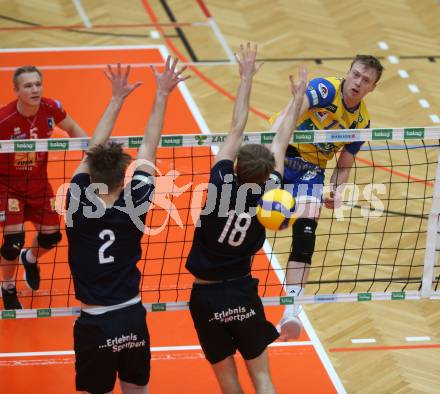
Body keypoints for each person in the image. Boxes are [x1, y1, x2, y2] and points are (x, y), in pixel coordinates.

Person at [186, 43, 307, 394]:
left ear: (237, 167)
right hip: (242, 290)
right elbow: (282, 142)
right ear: (266, 173)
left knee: (229, 383)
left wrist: (245, 78)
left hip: (206, 296)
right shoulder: (271, 194)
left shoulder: (222, 181)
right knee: (263, 378)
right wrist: (297, 98)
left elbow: (236, 126)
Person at [66, 59, 188, 394]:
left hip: (95, 323)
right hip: (131, 316)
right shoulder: (136, 200)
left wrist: (116, 99)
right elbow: (150, 145)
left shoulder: (76, 202)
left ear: (92, 176)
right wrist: (162, 93)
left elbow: (91, 151)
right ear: (124, 177)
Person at [270, 55, 384, 340]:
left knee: (307, 228)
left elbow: (344, 165)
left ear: (372, 88)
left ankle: (291, 308)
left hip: (311, 170)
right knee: (248, 218)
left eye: (366, 80)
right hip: (280, 150)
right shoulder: (325, 89)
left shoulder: (362, 121)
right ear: (348, 72)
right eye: (356, 74)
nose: (358, 82)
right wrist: (269, 158)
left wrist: (336, 188)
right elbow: (289, 117)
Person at [0, 65, 87, 310]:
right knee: (12, 242)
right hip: (8, 186)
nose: (35, 89)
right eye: (28, 85)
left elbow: (72, 128)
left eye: (38, 84)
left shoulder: (50, 107)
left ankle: (30, 258)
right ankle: (7, 286)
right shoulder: (4, 119)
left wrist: (92, 154)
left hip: (38, 183)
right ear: (16, 90)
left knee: (52, 236)